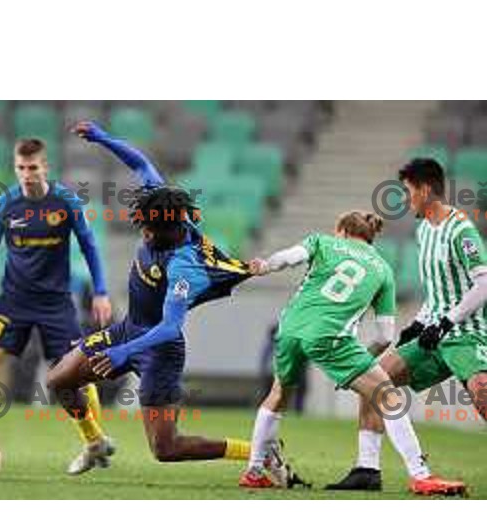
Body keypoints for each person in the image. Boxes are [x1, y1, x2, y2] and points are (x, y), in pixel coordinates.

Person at [47, 121, 291, 478]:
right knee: (59, 381)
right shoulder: (164, 206)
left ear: (170, 230)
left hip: (160, 351)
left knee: (166, 448)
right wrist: (103, 138)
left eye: (147, 228)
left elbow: (169, 327)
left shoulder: (184, 267)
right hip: (129, 329)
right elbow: (142, 166)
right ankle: (96, 443)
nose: (142, 232)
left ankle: (262, 452)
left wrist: (124, 352)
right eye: (142, 223)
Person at [240, 210, 466, 496]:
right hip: (331, 336)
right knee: (388, 396)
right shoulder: (383, 270)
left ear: (342, 230)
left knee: (278, 394)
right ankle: (421, 475)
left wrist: (265, 265)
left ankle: (254, 470)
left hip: (289, 329)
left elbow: (288, 258)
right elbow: (385, 336)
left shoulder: (322, 242)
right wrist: (363, 362)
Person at [0, 138, 114, 475]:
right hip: (14, 300)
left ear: (44, 167)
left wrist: (101, 292)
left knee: (76, 375)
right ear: (15, 167)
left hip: (56, 303)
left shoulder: (65, 202)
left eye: (33, 167)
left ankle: (94, 440)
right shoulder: (6, 204)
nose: (27, 174)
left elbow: (90, 246)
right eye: (21, 168)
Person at [330, 158, 487, 491]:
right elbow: (438, 291)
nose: (405, 199)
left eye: (408, 191)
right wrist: (418, 323)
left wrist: (445, 322)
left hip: (466, 335)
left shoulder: (461, 229)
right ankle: (367, 469)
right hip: (434, 333)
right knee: (374, 376)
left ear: (425, 189)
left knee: (481, 395)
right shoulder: (424, 230)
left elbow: (483, 284)